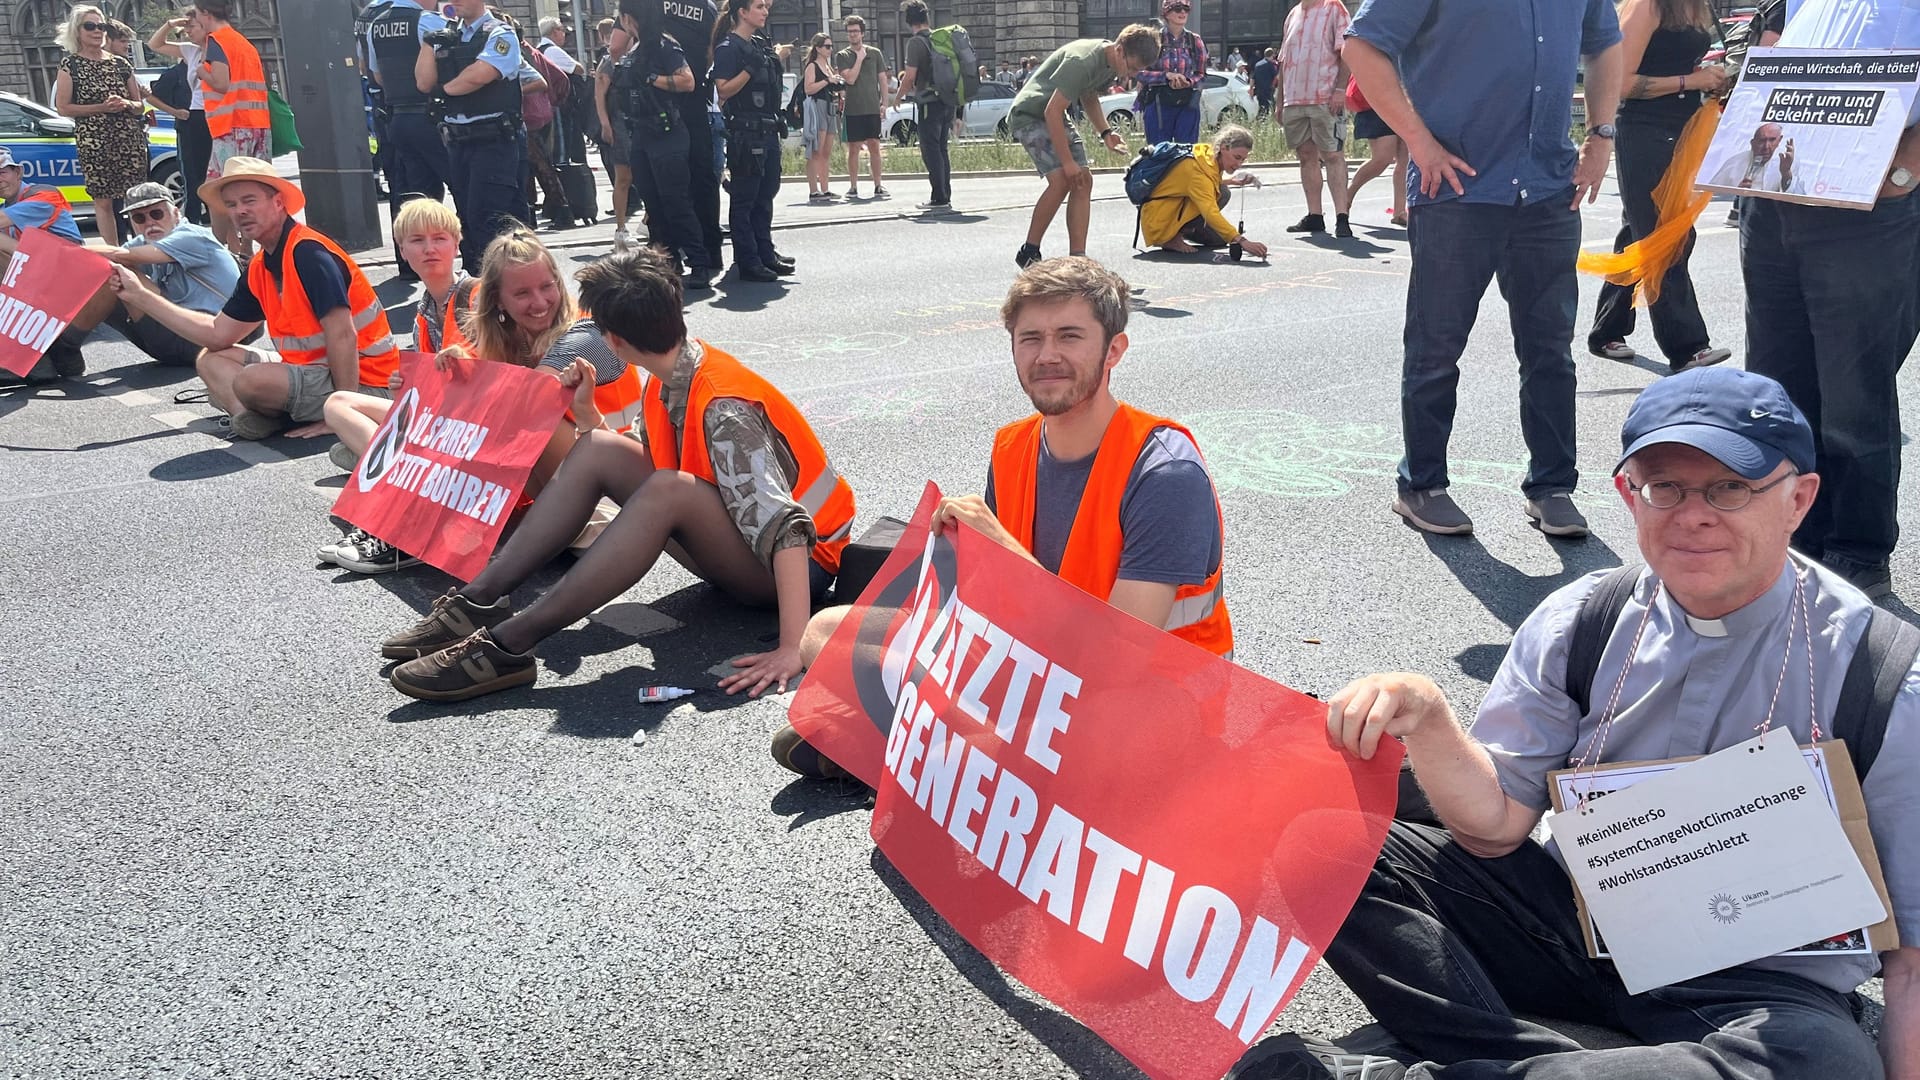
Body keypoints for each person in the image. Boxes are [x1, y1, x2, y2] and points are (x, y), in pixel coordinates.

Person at [1243, 366, 1920, 1080]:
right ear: (1631, 496)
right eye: (1666, 487)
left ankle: (1423, 1066)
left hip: (1754, 989)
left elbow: (1910, 962)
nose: (1693, 514)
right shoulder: (1585, 620)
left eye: (1730, 487)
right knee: (1325, 840)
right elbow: (1498, 824)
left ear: (1798, 499)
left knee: (1827, 1065)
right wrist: (1432, 718)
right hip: (1579, 930)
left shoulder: (1882, 676)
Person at [769, 257, 1232, 781]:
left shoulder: (1164, 473)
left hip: (1147, 694)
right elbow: (992, 609)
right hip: (1040, 667)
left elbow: (1118, 658)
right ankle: (926, 750)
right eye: (1030, 338)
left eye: (1070, 336)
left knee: (1111, 733)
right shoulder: (1012, 446)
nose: (1048, 355)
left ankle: (896, 744)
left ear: (1114, 351)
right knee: (826, 630)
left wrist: (1001, 548)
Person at [378, 249, 857, 702]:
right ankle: (476, 601)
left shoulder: (723, 407)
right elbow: (659, 462)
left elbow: (787, 529)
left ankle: (511, 644)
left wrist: (793, 647)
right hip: (746, 542)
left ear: (615, 342)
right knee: (600, 446)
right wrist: (587, 415)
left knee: (668, 491)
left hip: (797, 570)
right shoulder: (676, 369)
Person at [1345, 0, 1623, 539]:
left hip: (1547, 187)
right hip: (1454, 189)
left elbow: (1605, 43)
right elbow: (1362, 44)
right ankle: (1421, 485)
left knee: (1549, 350)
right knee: (1436, 347)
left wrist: (1601, 133)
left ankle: (1552, 487)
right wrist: (1419, 143)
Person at [320, 224, 638, 574]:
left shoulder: (584, 333)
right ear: (498, 300)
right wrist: (435, 384)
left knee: (518, 419)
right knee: (340, 404)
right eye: (522, 293)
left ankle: (407, 515)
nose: (540, 302)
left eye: (547, 286)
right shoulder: (501, 336)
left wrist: (465, 387)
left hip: (614, 491)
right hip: (554, 484)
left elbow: (522, 403)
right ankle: (404, 498)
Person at [1740, 0, 1920, 599]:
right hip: (1777, 199)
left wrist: (1904, 173)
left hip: (1870, 205)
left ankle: (1856, 553)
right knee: (1778, 388)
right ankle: (1794, 542)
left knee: (1853, 398)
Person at [112, 160, 399, 442]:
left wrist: (342, 414)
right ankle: (252, 419)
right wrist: (139, 296)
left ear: (278, 202)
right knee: (210, 359)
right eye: (232, 205)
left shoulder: (309, 253)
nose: (240, 212)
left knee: (251, 381)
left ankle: (284, 412)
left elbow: (343, 335)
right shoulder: (260, 265)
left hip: (366, 382)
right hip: (312, 371)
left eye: (249, 201)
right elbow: (217, 335)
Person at [1585, 0, 1732, 376]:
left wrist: (1704, 78)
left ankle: (1608, 328)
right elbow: (1619, 82)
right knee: (1667, 236)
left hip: (1682, 128)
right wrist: (1693, 80)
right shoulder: (1646, 6)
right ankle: (1688, 347)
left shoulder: (1690, 6)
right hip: (1646, 130)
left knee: (1639, 231)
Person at [1007, 27, 1162, 268]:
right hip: (1030, 114)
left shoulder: (1111, 64)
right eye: (1131, 68)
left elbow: (1089, 96)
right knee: (1061, 180)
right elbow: (1051, 111)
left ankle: (1077, 258)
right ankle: (1029, 251)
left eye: (1137, 71)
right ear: (1119, 50)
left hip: (1054, 114)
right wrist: (1067, 162)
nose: (1131, 75)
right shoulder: (1082, 61)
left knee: (1083, 180)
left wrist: (1106, 133)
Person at [418, 0, 531, 274]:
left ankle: (501, 288)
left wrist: (442, 92)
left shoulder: (499, 33)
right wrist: (428, 44)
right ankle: (477, 289)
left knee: (490, 220)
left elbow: (480, 74)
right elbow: (423, 82)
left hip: (494, 142)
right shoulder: (448, 34)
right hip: (459, 143)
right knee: (467, 221)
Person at [86, 183, 244, 370]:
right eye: (139, 217)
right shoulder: (146, 240)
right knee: (103, 274)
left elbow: (119, 255)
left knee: (118, 271)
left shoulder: (191, 237)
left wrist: (64, 249)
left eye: (157, 214)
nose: (149, 222)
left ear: (176, 213)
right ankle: (61, 349)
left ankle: (66, 349)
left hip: (209, 337)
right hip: (179, 332)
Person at [617, 0, 714, 290]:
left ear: (628, 18)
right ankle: (669, 263)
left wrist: (651, 78)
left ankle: (699, 263)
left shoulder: (663, 45)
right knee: (654, 206)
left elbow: (687, 81)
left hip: (667, 133)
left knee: (676, 202)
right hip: (642, 134)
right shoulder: (634, 49)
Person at [360, 0, 455, 276]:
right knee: (462, 185)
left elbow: (375, 75)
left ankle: (413, 262)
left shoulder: (376, 25)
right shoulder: (426, 21)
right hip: (431, 116)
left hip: (397, 119)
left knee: (415, 195)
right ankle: (474, 259)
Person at [53, 5, 149, 250]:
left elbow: (139, 106)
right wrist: (101, 107)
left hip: (128, 138)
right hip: (94, 141)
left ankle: (142, 249)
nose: (97, 31)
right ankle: (113, 254)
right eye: (90, 26)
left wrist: (127, 103)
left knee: (137, 198)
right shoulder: (70, 64)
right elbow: (63, 107)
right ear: (78, 31)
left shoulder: (120, 63)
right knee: (104, 201)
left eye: (101, 26)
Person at [713, 0, 793, 284]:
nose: (765, 11)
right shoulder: (728, 48)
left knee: (766, 194)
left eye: (766, 7)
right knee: (745, 199)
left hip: (767, 130)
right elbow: (722, 91)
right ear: (742, 13)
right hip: (745, 135)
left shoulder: (759, 44)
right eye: (759, 6)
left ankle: (764, 253)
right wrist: (748, 69)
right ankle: (747, 260)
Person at [0, 148, 88, 383]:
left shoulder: (44, 194)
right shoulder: (6, 206)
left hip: (71, 277)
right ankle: (39, 358)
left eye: (2, 172)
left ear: (18, 172)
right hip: (41, 281)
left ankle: (29, 360)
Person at [194, 1, 273, 253]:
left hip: (231, 127)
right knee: (251, 189)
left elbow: (220, 82)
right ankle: (246, 249)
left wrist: (201, 72)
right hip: (257, 125)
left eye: (197, 14)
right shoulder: (243, 42)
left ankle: (218, 250)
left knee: (215, 191)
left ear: (206, 14)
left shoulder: (216, 41)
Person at [1278, 0, 1354, 238]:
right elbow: (1283, 62)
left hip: (1324, 96)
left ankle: (1342, 217)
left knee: (1333, 155)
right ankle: (1315, 215)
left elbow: (1347, 52)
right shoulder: (1293, 14)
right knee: (1306, 156)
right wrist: (1280, 100)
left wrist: (1340, 90)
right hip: (1295, 99)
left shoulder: (1334, 7)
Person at [1138, 125, 1270, 257]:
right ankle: (1171, 238)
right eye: (1237, 157)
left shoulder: (1207, 155)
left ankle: (1185, 231)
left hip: (1166, 212)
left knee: (1220, 239)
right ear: (1223, 148)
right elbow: (1209, 210)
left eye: (1243, 160)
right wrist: (1242, 241)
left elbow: (1195, 183)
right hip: (1158, 223)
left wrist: (1232, 181)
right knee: (1222, 194)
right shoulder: (1198, 172)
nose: (1239, 164)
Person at [148, 12, 214, 226]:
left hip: (217, 114)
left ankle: (218, 222)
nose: (187, 31)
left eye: (191, 26)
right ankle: (195, 220)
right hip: (195, 116)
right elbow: (155, 44)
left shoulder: (221, 48)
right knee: (195, 174)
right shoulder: (191, 51)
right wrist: (171, 23)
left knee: (216, 173)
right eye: (185, 28)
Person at [895, 0, 955, 213]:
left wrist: (897, 97)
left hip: (929, 102)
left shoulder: (916, 43)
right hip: (948, 101)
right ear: (927, 18)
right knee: (941, 149)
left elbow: (909, 76)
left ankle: (938, 197)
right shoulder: (941, 39)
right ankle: (945, 194)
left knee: (930, 150)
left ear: (908, 21)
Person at [1134, 0, 1209, 145]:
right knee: (1158, 151)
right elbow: (1138, 72)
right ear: (1166, 13)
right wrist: (1165, 76)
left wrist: (1188, 82)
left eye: (1186, 9)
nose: (1183, 13)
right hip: (1158, 102)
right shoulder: (1153, 40)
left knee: (1186, 151)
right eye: (1178, 9)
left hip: (1187, 102)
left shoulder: (1195, 40)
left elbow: (1202, 74)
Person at [596, 23, 641, 253]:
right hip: (620, 124)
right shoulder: (609, 62)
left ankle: (646, 224)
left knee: (647, 176)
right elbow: (599, 94)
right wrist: (605, 124)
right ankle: (621, 229)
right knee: (623, 177)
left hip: (641, 122)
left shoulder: (642, 55)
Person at [836, 16, 889, 200]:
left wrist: (885, 103)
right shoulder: (842, 55)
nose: (853, 35)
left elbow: (882, 78)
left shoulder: (875, 53)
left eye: (856, 31)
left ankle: (878, 184)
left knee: (874, 145)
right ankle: (853, 186)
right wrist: (859, 58)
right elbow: (849, 79)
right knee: (854, 148)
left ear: (862, 33)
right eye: (850, 32)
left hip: (872, 107)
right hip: (853, 108)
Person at [1343, 74, 1407, 226]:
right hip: (1378, 105)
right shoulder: (1377, 49)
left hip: (1404, 104)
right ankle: (1347, 196)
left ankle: (1399, 211)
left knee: (1405, 161)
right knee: (1383, 158)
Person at [800, 33, 845, 202]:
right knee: (815, 151)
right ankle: (814, 190)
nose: (830, 49)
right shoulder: (812, 66)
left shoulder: (827, 64)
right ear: (818, 48)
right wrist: (828, 80)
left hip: (830, 106)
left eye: (831, 46)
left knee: (826, 151)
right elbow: (808, 89)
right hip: (817, 106)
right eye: (827, 46)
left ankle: (825, 188)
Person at [1704, 122, 1804, 193]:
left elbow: (1797, 197)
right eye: (1761, 141)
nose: (1766, 147)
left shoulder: (1788, 161)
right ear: (1752, 143)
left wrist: (1786, 173)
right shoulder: (1734, 163)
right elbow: (1712, 194)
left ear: (1779, 140)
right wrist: (1735, 193)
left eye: (1772, 140)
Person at [1251, 46, 1277, 118]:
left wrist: (1251, 88)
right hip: (1268, 90)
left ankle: (1260, 120)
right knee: (1270, 108)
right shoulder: (1270, 65)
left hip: (1259, 90)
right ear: (1272, 55)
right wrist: (1273, 86)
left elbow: (1253, 78)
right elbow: (1276, 77)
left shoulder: (1257, 64)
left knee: (1261, 107)